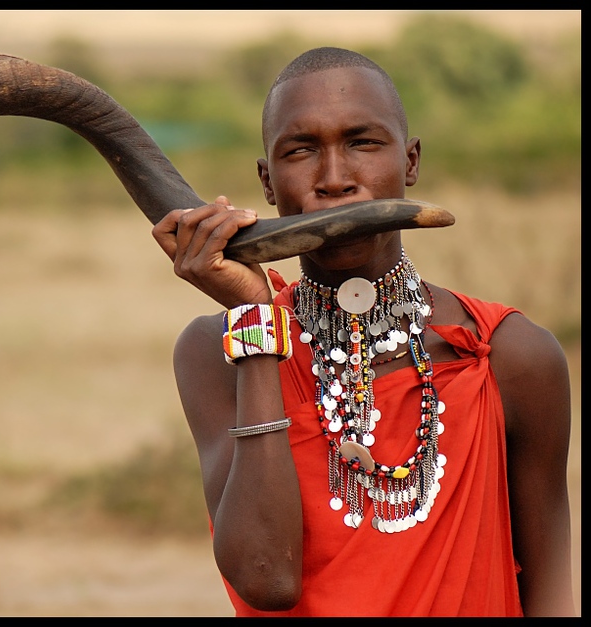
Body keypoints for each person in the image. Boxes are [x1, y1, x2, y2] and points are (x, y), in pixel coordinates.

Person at [151, 47, 574, 617]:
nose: (335, 180)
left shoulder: (511, 354)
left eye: (363, 143)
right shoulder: (214, 348)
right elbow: (267, 578)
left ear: (412, 161)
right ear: (267, 183)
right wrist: (254, 320)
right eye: (300, 151)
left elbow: (549, 591)